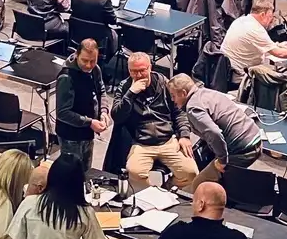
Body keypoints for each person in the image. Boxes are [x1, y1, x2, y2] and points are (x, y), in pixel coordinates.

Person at [112, 52, 197, 190]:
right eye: (134, 71)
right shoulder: (125, 88)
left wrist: (184, 135)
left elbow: (180, 112)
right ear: (129, 70)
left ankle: (167, 188)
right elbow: (117, 116)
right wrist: (130, 94)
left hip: (167, 140)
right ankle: (151, 193)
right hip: (141, 143)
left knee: (191, 172)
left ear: (150, 67)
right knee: (134, 172)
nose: (139, 75)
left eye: (142, 70)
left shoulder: (164, 84)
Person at [168, 74, 263, 187]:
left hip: (242, 151)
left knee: (199, 185)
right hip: (255, 137)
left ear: (184, 93)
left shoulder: (193, 108)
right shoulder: (208, 93)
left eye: (173, 95)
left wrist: (222, 161)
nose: (172, 100)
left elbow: (214, 133)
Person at [221, 0, 287, 83]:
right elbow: (280, 54)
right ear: (262, 14)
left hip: (227, 72)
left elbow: (258, 44)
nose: (271, 21)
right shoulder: (256, 30)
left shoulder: (241, 20)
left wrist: (278, 45)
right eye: (270, 17)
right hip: (241, 76)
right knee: (280, 82)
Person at [54, 39, 106, 167]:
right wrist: (90, 122)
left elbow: (101, 91)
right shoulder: (66, 78)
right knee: (71, 173)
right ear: (77, 55)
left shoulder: (95, 69)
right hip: (70, 136)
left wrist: (104, 111)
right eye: (85, 60)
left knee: (86, 171)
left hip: (87, 133)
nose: (88, 65)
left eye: (93, 61)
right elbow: (62, 113)